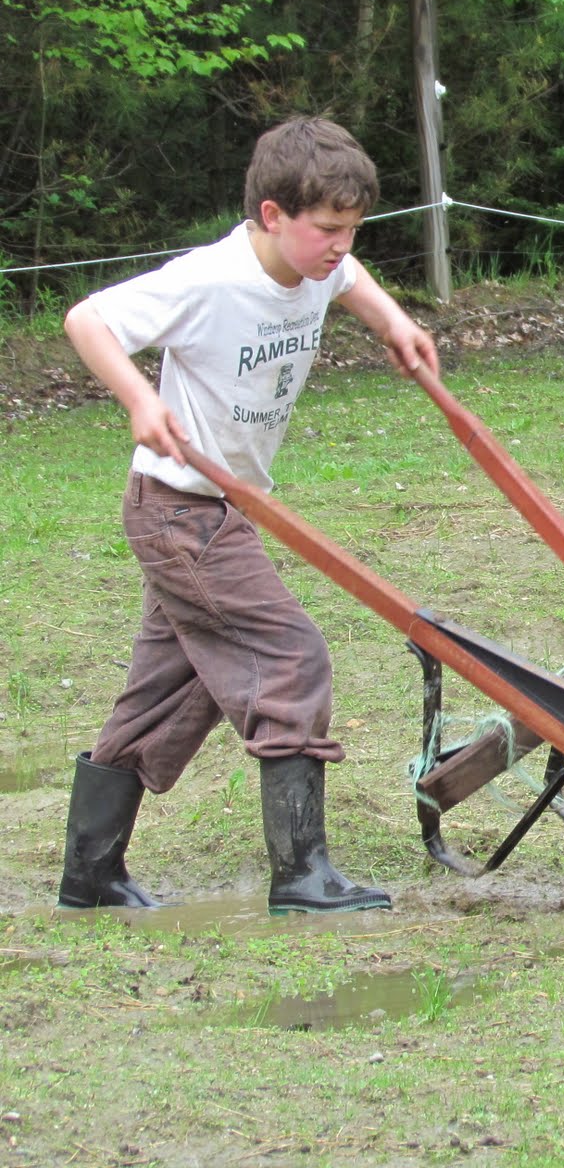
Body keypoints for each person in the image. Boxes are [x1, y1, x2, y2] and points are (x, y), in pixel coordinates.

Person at [58, 116, 439, 913]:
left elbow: (350, 279)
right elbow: (86, 320)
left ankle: (89, 876)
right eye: (327, 229)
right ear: (272, 214)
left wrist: (395, 322)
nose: (341, 245)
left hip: (221, 509)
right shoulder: (210, 279)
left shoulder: (321, 265)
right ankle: (301, 875)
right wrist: (138, 398)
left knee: (169, 691)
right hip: (178, 512)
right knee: (290, 656)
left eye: (352, 228)